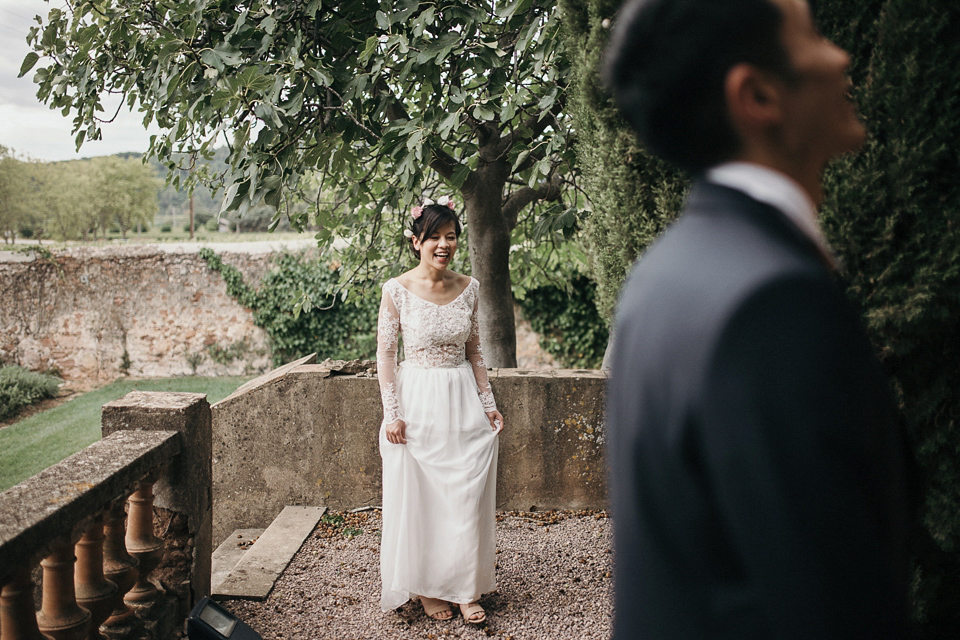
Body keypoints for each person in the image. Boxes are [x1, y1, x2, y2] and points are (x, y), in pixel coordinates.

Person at [603, 0, 915, 638]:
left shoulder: (663, 275)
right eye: (814, 36)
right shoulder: (774, 304)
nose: (842, 56)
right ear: (759, 95)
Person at [376, 197, 505, 624]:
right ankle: (430, 589)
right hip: (418, 404)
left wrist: (488, 405)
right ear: (416, 242)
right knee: (426, 500)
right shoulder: (396, 291)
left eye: (450, 236)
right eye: (434, 237)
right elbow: (386, 357)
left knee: (465, 497)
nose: (444, 244)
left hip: (462, 400)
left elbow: (476, 351)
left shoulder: (470, 288)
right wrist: (392, 414)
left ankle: (466, 589)